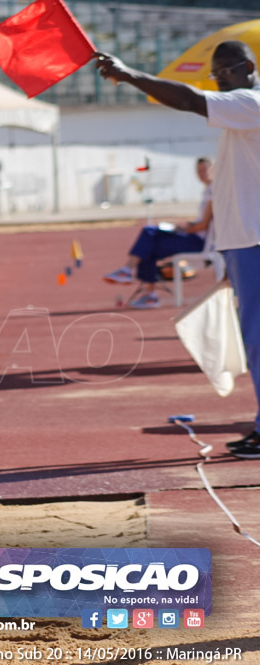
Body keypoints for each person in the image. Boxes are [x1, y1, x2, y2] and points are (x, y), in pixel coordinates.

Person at [96, 41, 260, 459]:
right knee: (254, 339)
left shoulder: (250, 103)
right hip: (243, 242)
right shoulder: (241, 114)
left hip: (254, 241)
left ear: (248, 68)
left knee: (258, 340)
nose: (218, 82)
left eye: (223, 73)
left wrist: (130, 75)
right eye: (216, 76)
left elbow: (189, 99)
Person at [102, 157, 213, 308]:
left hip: (198, 242)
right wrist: (184, 226)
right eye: (199, 170)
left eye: (204, 169)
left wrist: (188, 228)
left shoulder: (213, 190)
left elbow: (204, 224)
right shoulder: (208, 190)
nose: (202, 173)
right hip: (194, 236)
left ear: (212, 170)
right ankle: (147, 292)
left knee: (149, 235)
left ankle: (131, 273)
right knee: (149, 240)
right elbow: (202, 221)